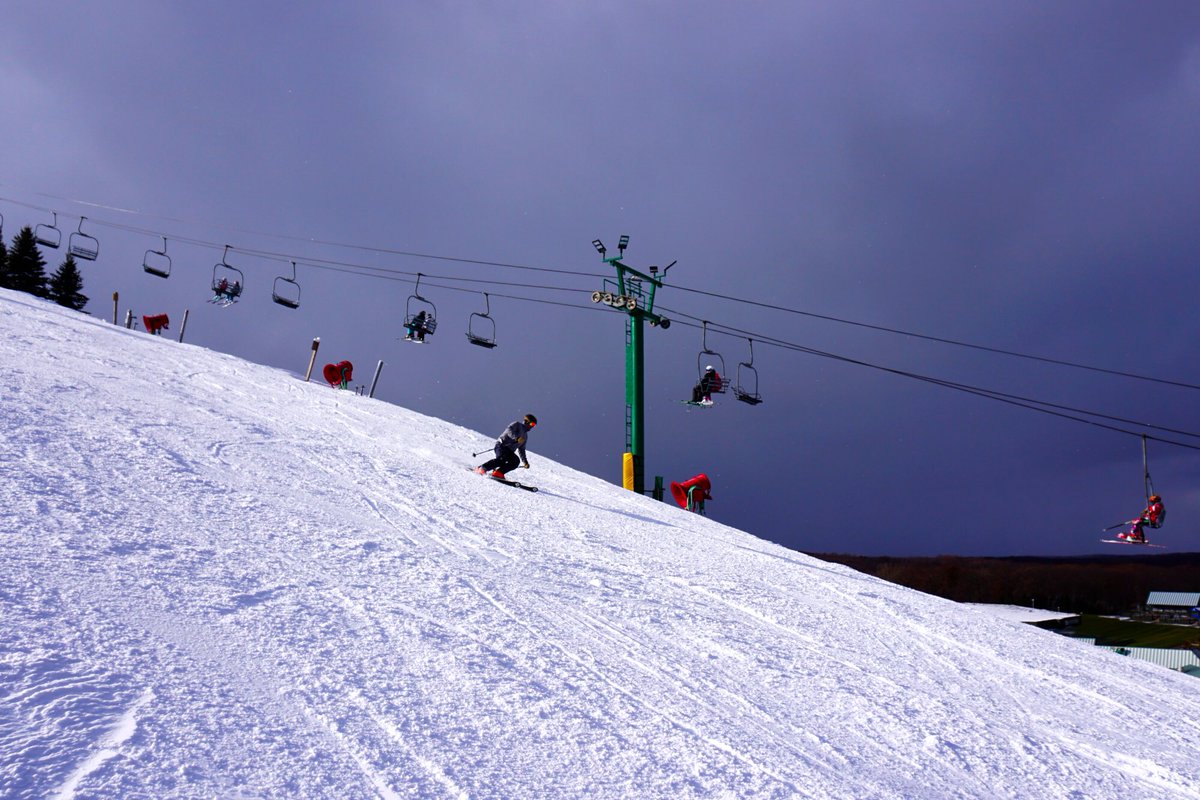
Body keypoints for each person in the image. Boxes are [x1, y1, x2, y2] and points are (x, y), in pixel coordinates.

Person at [475, 414, 537, 479]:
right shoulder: (517, 424)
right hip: (501, 445)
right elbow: (509, 430)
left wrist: (525, 462)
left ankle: (498, 473)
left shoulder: (525, 436)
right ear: (526, 422)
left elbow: (521, 449)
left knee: (515, 461)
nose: (532, 427)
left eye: (534, 425)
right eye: (532, 424)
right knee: (502, 460)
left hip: (509, 451)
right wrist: (516, 438)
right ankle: (482, 468)